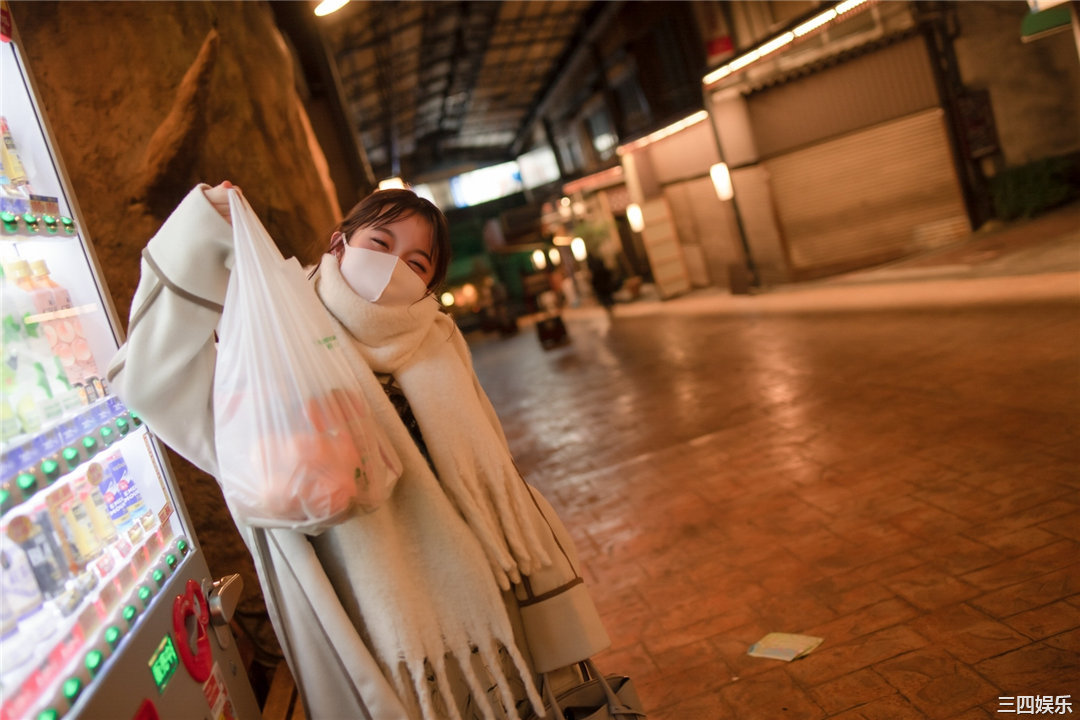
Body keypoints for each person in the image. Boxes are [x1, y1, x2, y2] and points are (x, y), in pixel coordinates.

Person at [106, 182, 610, 720]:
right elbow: (152, 381)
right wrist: (201, 227)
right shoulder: (279, 335)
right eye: (380, 242)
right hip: (374, 618)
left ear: (428, 285)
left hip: (489, 601)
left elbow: (493, 468)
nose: (394, 265)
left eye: (417, 261)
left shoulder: (438, 337)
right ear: (339, 242)